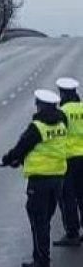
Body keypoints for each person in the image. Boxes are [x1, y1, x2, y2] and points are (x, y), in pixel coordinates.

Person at [0, 89, 68, 267]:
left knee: (39, 221)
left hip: (39, 180)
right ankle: (41, 258)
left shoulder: (37, 127)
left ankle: (42, 261)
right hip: (58, 177)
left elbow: (21, 147)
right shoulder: (62, 122)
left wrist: (8, 160)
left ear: (41, 106)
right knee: (45, 218)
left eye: (38, 104)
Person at [55, 78, 83, 247]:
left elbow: (58, 135)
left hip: (69, 159)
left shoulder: (62, 112)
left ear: (63, 94)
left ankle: (72, 233)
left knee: (68, 197)